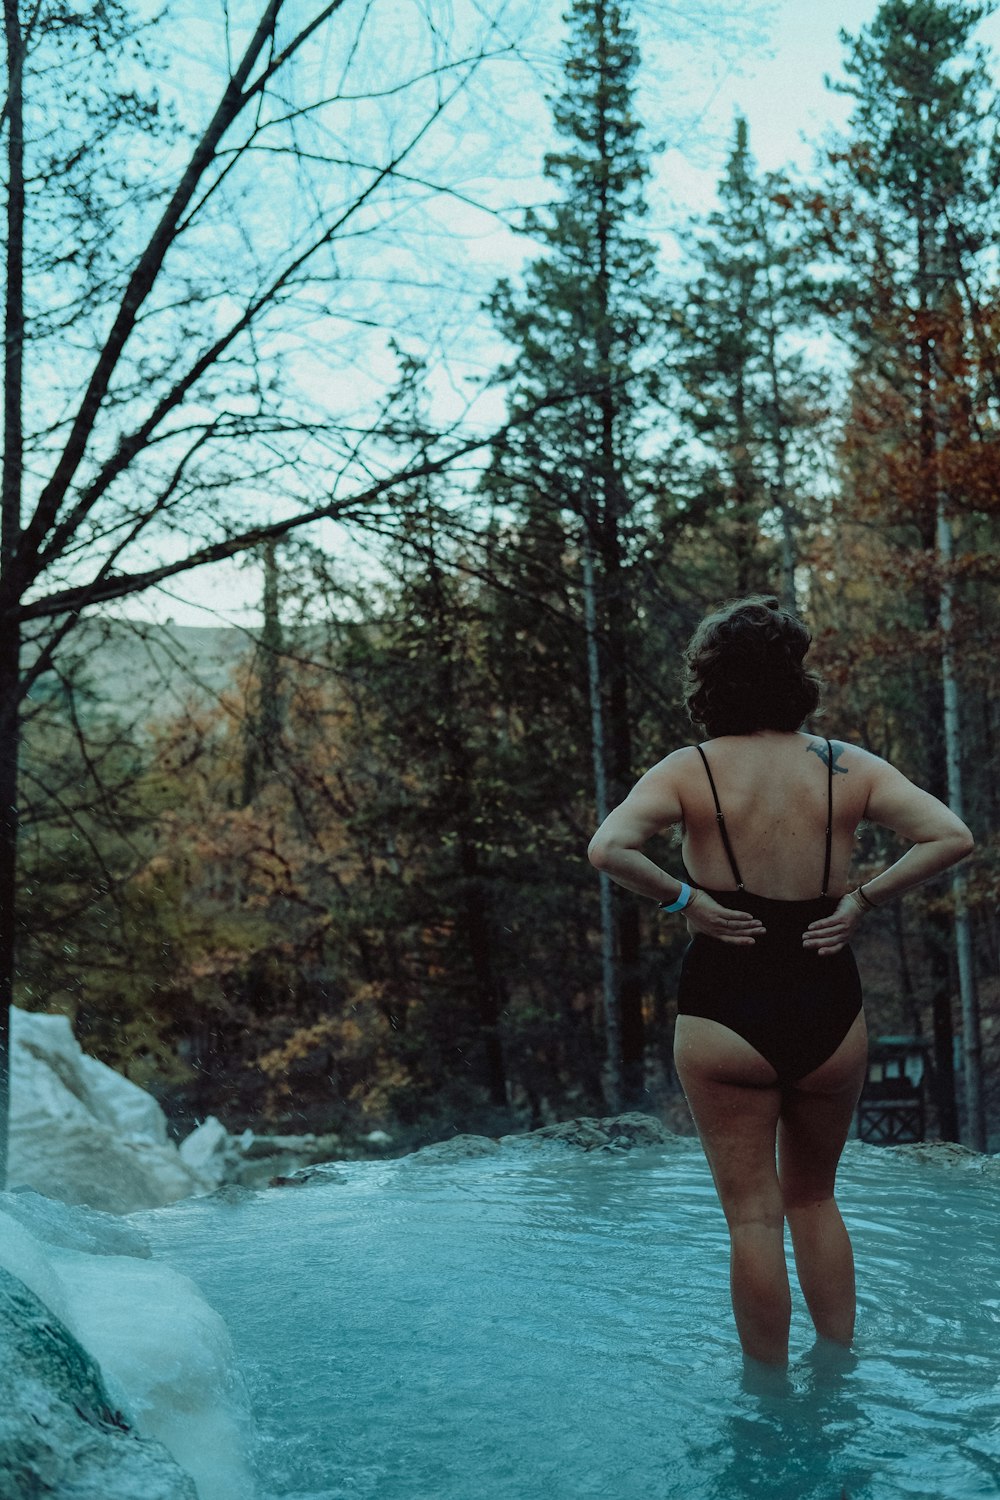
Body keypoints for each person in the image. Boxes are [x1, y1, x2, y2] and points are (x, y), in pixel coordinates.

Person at [587, 595, 974, 1369]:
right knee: (815, 1199)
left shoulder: (690, 770)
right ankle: (837, 1372)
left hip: (723, 1005)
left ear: (712, 682)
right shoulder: (845, 764)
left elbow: (609, 848)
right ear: (794, 676)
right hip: (828, 1002)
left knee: (753, 1220)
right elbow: (951, 836)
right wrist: (861, 901)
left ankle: (766, 1402)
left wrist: (687, 901)